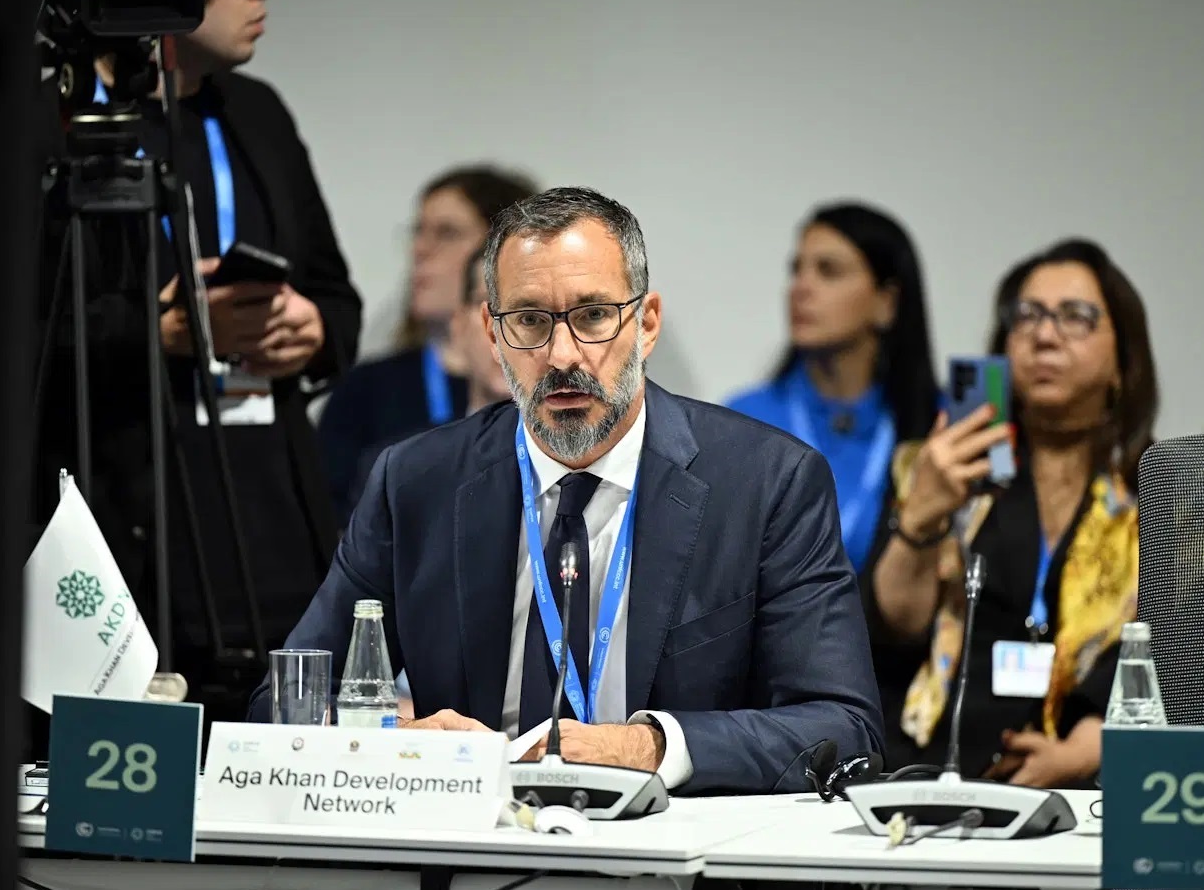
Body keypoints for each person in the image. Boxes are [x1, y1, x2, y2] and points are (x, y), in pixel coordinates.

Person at [250, 187, 884, 795]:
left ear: (646, 323)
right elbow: (282, 703)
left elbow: (843, 726)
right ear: (492, 333)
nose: (561, 355)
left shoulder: (765, 483)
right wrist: (395, 744)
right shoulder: (415, 482)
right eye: (529, 321)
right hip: (477, 841)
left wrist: (648, 748)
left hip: (672, 848)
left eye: (593, 317)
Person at [33, 0, 361, 745]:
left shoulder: (256, 113)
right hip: (126, 527)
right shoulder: (50, 121)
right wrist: (157, 332)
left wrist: (311, 330)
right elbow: (23, 332)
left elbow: (336, 298)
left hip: (268, 522)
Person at [871, 239, 1157, 786]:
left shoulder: (1158, 493)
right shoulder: (941, 467)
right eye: (1027, 315)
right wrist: (922, 518)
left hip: (1090, 776)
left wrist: (1087, 749)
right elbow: (893, 628)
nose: (1044, 335)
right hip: (938, 767)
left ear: (1123, 361)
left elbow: (1174, 651)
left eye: (1075, 316)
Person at [725, 203, 939, 575]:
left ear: (886, 302)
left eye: (829, 271)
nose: (800, 288)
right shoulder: (742, 421)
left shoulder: (938, 425)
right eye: (797, 270)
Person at [318, 166, 536, 523]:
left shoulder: (552, 386)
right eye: (418, 232)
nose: (420, 249)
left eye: (447, 233)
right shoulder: (365, 390)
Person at [346, 250, 511, 514]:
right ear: (458, 327)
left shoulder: (578, 470)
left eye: (530, 315)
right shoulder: (396, 473)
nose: (507, 331)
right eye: (492, 307)